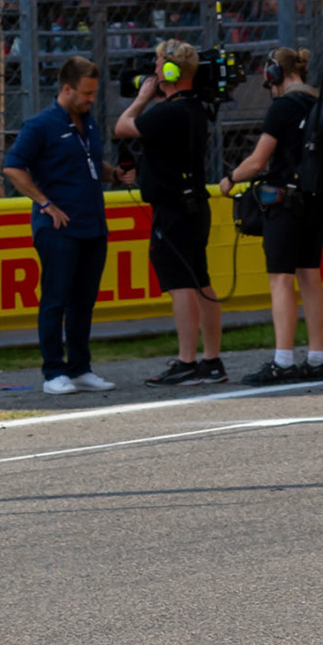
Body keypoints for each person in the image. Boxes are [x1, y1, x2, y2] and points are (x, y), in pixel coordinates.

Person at [4, 57, 130, 396]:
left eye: (94, 93)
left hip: (92, 224)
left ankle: (80, 368)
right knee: (56, 299)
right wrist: (44, 203)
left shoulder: (88, 123)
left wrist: (113, 174)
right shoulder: (40, 125)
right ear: (66, 88)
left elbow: (87, 161)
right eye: (86, 93)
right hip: (57, 227)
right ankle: (52, 372)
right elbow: (13, 167)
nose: (91, 99)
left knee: (84, 301)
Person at [220, 47, 323, 386]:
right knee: (311, 276)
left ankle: (283, 359)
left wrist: (229, 180)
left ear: (274, 75)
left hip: (285, 201)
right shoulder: (321, 104)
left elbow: (257, 161)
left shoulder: (282, 107)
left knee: (281, 278)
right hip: (317, 199)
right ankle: (317, 358)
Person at [118, 39, 225, 387]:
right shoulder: (194, 108)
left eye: (158, 65)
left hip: (173, 210)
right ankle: (211, 360)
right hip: (193, 206)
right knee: (200, 282)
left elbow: (122, 126)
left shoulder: (170, 111)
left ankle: (187, 361)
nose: (153, 71)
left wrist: (143, 97)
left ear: (170, 71)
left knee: (181, 285)